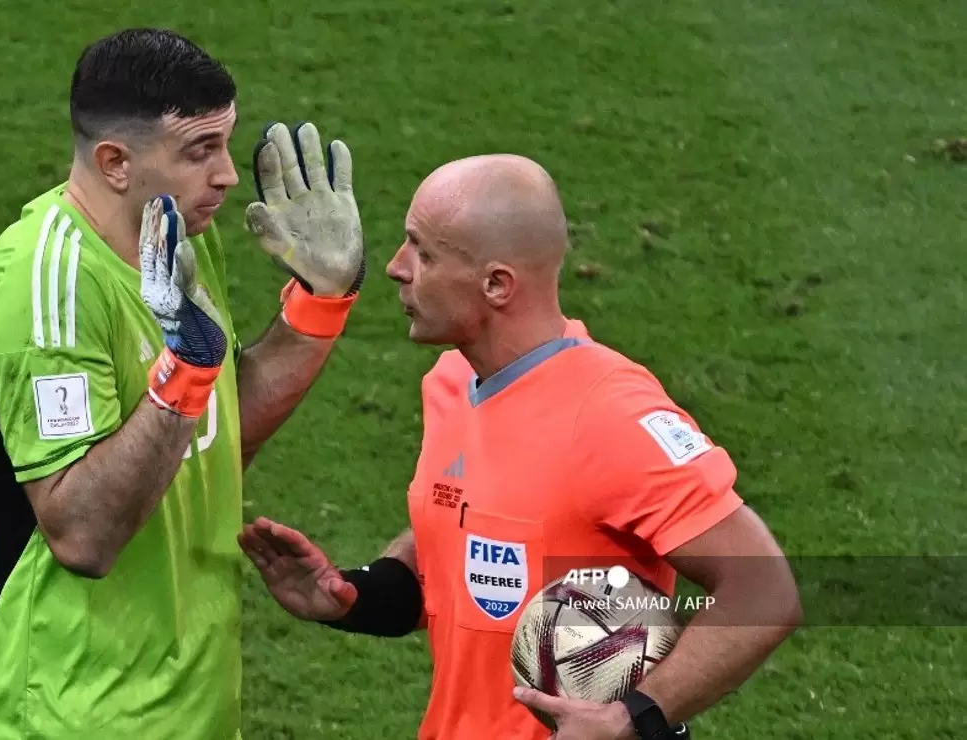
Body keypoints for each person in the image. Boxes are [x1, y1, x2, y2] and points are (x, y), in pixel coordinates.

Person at [239, 154, 802, 740]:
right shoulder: (452, 382)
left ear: (497, 285)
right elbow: (465, 548)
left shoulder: (610, 416)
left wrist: (630, 719)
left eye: (423, 253)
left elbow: (765, 588)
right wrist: (356, 596)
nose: (394, 268)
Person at [0, 28, 365, 740]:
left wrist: (318, 306)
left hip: (190, 710)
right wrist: (184, 374)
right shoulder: (45, 286)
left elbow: (210, 439)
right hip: (64, 716)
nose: (229, 176)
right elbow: (82, 535)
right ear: (115, 162)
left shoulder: (182, 239)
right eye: (200, 151)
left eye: (225, 145)